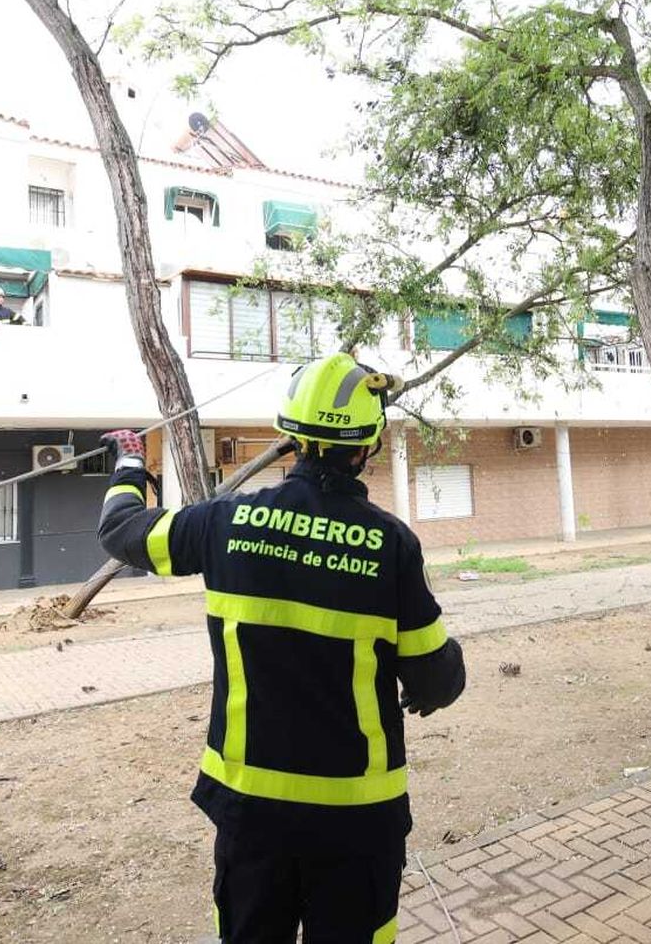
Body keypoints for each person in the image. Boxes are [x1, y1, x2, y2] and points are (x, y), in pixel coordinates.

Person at [96, 353, 465, 943]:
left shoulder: (222, 523)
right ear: (367, 445)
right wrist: (441, 673)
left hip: (251, 811)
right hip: (358, 817)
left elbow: (121, 531)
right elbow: (435, 681)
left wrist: (131, 462)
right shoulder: (391, 544)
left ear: (290, 437)